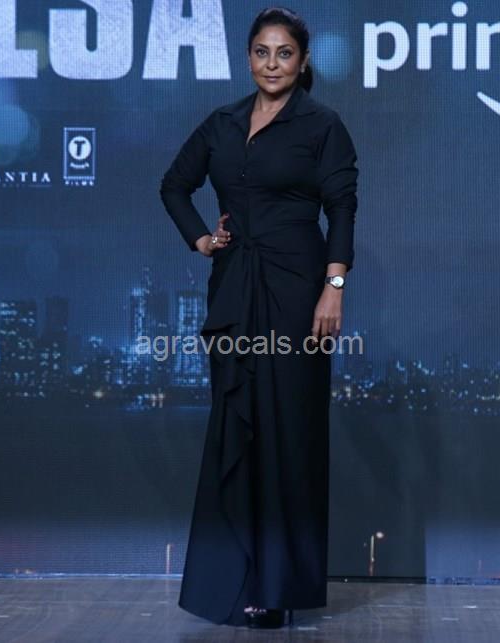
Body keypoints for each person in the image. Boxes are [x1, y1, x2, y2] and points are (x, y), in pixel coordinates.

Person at [160, 6, 358, 630]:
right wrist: (202, 240)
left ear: (303, 62)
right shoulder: (222, 123)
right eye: (262, 52)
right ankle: (237, 580)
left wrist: (333, 288)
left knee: (288, 435)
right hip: (234, 292)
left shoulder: (323, 125)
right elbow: (174, 186)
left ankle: (278, 587)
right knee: (236, 430)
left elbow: (342, 209)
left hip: (298, 293)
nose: (272, 64)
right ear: (248, 58)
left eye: (284, 53)